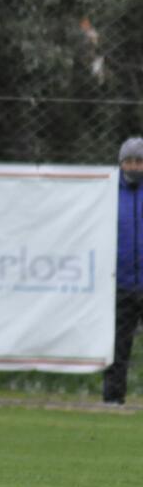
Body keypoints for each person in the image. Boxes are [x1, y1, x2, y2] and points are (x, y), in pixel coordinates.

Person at [103, 136, 143, 404]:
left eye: (139, 161)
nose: (134, 166)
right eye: (129, 161)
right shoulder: (106, 191)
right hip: (119, 283)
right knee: (117, 347)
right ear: (120, 163)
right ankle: (113, 400)